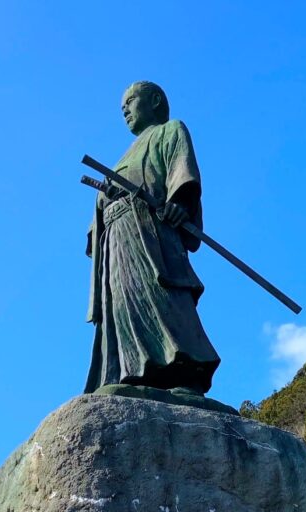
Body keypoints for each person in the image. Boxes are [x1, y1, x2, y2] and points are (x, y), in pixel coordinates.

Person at [84, 81, 220, 395]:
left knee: (161, 296)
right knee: (123, 302)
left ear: (155, 100)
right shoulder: (123, 156)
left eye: (130, 102)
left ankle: (184, 370)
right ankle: (132, 371)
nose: (125, 112)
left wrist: (180, 204)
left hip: (151, 233)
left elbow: (181, 172)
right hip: (118, 239)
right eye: (122, 108)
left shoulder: (169, 131)